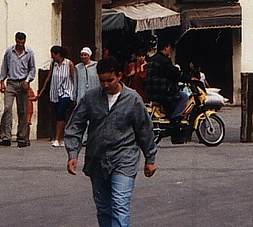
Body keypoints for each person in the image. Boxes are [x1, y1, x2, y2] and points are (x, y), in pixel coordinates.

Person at [64, 56, 157, 227]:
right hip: (97, 159)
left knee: (120, 205)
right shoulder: (90, 98)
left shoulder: (133, 99)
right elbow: (75, 125)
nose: (106, 85)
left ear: (120, 76)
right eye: (102, 81)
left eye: (110, 80)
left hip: (124, 159)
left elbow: (144, 130)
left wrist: (150, 158)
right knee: (104, 208)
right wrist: (72, 153)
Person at [0, 32, 36, 148]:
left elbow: (32, 68)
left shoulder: (29, 53)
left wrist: (28, 81)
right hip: (11, 82)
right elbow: (4, 66)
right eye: (18, 42)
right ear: (15, 40)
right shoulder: (9, 52)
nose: (20, 44)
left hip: (23, 82)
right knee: (8, 108)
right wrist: (2, 82)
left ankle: (22, 137)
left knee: (23, 111)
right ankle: (6, 137)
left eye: (22, 42)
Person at [33, 46, 75, 147]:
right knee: (58, 115)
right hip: (55, 92)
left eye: (53, 54)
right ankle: (62, 136)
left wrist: (76, 93)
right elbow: (48, 78)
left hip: (66, 92)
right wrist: (41, 91)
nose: (52, 56)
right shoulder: (53, 64)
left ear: (58, 54)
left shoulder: (69, 63)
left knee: (61, 113)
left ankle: (57, 138)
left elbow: (73, 78)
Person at [145, 41, 187, 124]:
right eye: (169, 48)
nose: (170, 51)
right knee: (184, 96)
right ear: (166, 47)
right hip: (162, 92)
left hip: (151, 92)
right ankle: (175, 118)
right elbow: (175, 74)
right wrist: (188, 78)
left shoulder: (152, 59)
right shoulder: (163, 61)